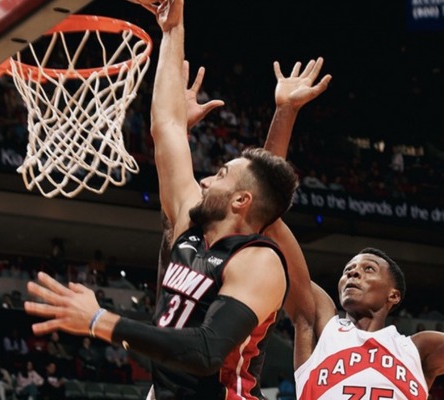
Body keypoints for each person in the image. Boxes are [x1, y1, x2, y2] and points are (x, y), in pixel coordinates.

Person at [23, 1, 309, 399]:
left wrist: (101, 320)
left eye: (220, 175)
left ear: (241, 201)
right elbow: (167, 127)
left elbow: (206, 351)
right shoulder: (192, 223)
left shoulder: (259, 262)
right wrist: (172, 30)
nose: (205, 180)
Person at [261, 76, 444, 399]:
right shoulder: (320, 322)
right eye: (348, 270)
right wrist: (286, 112)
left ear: (394, 295)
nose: (352, 274)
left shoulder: (420, 348)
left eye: (368, 269)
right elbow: (267, 219)